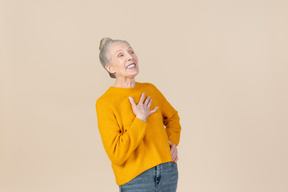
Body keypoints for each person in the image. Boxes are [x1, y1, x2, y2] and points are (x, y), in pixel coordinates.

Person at [95, 37, 182, 192]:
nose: (130, 56)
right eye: (120, 55)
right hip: (135, 179)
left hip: (168, 172)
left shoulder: (150, 90)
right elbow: (117, 154)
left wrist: (172, 142)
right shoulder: (105, 102)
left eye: (131, 51)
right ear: (110, 68)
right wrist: (140, 119)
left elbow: (173, 118)